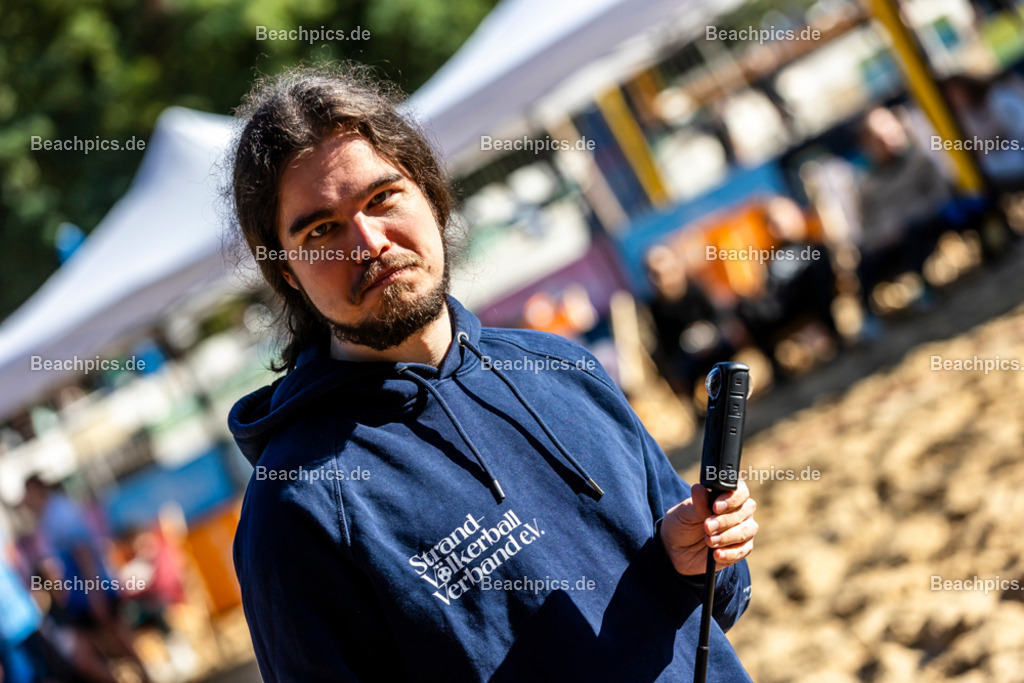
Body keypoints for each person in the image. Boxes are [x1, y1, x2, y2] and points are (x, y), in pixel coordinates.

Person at [228, 64, 758, 682]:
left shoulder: (561, 368)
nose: (368, 242)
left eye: (382, 198)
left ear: (429, 192)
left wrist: (692, 559)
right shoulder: (297, 508)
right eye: (322, 229)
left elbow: (721, 603)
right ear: (287, 273)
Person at [854, 107, 952, 326]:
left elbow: (940, 195)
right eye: (877, 138)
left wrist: (908, 218)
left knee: (911, 232)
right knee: (862, 261)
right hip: (888, 241)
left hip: (922, 226)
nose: (886, 139)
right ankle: (869, 318)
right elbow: (866, 225)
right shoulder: (868, 184)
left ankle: (925, 288)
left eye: (889, 130)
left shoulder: (920, 160)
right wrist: (881, 235)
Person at [735, 197, 841, 380]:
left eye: (781, 219)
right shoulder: (771, 257)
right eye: (772, 223)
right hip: (780, 307)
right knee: (743, 307)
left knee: (816, 275)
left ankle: (835, 336)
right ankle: (776, 367)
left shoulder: (813, 246)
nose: (778, 226)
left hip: (807, 296)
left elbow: (830, 270)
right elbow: (767, 291)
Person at [644, 244, 740, 402]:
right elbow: (664, 346)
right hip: (687, 360)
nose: (666, 279)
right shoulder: (655, 309)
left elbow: (719, 318)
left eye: (670, 271)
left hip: (715, 345)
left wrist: (709, 332)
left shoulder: (696, 289)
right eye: (658, 275)